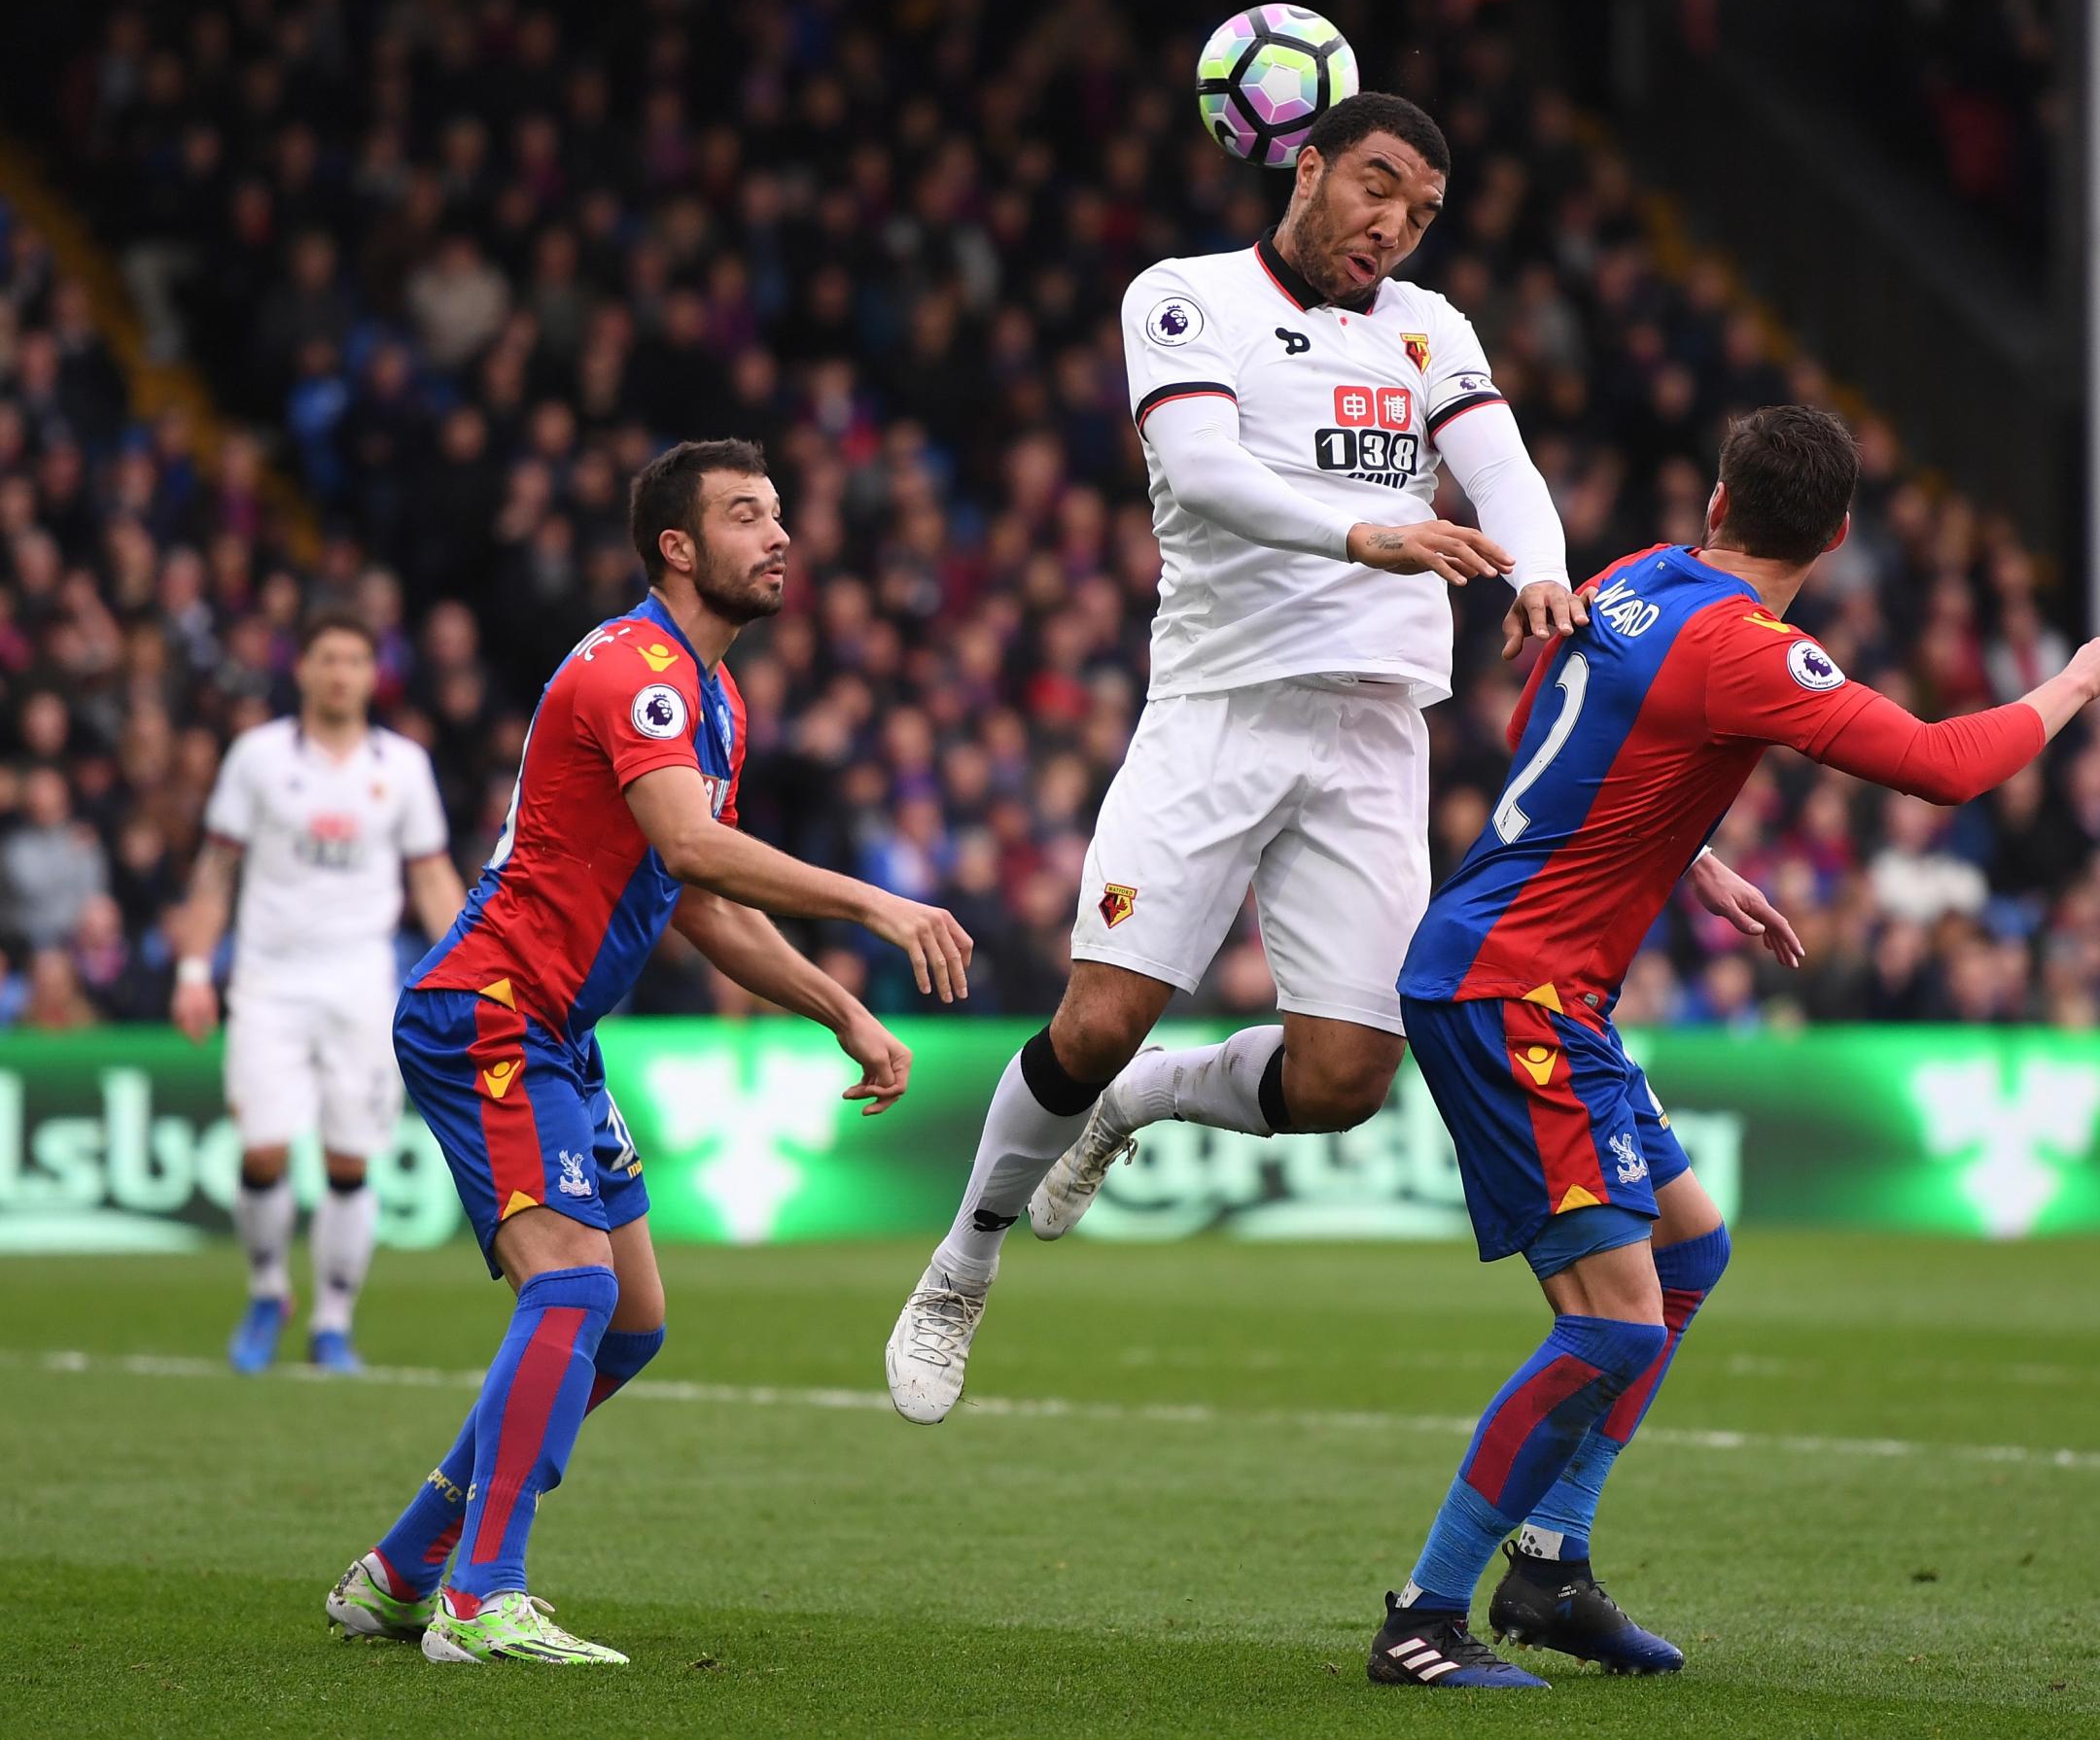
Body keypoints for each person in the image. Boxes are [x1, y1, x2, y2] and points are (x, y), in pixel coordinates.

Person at [883, 87, 1800, 1423]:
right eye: (1376, 187)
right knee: (1092, 1017)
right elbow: (1199, 469)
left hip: (1375, 731)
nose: (1394, 225)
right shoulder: (1185, 295)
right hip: (1218, 711)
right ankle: (962, 1264)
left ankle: (1141, 1104)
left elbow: (1511, 480)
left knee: (1345, 1082)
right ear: (1304, 166)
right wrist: (1364, 532)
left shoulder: (1431, 331)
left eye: (1422, 212)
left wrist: (1541, 576)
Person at [1366, 405, 2100, 1688]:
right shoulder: (1749, 651)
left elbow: (1569, 737)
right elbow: (1947, 767)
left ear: (1718, 500)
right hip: (1509, 988)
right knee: (1617, 1325)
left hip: (1540, 982)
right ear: (1837, 537)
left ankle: (1553, 1564)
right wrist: (2077, 678)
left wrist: (1695, 853)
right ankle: (1425, 1615)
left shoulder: (1628, 578)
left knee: (1691, 1248)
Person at [324, 438, 971, 1666]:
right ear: (677, 548)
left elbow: (700, 903)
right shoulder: (641, 673)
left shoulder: (712, 697)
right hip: (491, 1012)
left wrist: (840, 1008)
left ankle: (405, 1567)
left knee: (625, 1323)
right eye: (744, 516)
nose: (778, 535)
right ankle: (479, 1598)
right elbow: (689, 850)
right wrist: (879, 905)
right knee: (569, 1285)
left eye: (778, 513)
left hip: (554, 1030)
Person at [173, 612, 463, 1375]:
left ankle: (333, 1321)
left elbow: (431, 874)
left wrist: (469, 970)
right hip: (269, 980)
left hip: (362, 984)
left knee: (349, 1158)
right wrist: (195, 969)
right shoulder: (258, 758)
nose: (341, 673)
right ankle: (268, 1288)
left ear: (374, 673)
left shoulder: (401, 765)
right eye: (328, 658)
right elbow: (216, 869)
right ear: (301, 668)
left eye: (355, 659)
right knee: (263, 1148)